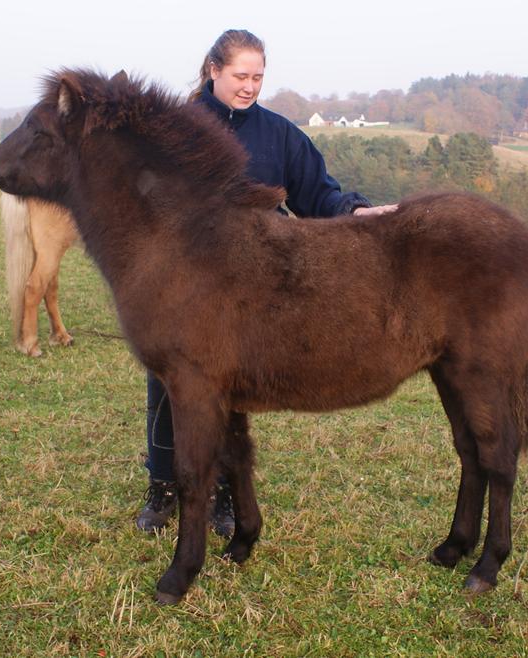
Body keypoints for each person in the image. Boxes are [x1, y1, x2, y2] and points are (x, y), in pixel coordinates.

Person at [137, 29, 398, 537]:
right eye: (240, 75)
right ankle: (163, 487)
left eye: (258, 77)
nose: (250, 86)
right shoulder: (176, 130)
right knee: (170, 386)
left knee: (232, 393)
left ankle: (226, 496)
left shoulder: (278, 133)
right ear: (213, 70)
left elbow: (317, 192)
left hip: (252, 290)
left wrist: (357, 210)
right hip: (183, 286)